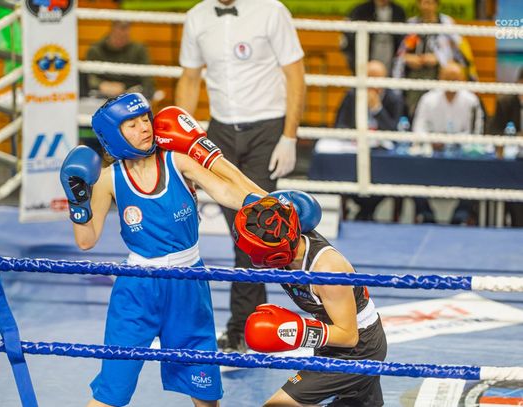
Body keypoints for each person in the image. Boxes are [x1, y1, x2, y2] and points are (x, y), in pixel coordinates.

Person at [60, 92, 269, 407]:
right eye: (132, 125)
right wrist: (77, 202)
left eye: (145, 119)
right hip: (137, 290)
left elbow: (228, 193)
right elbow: (86, 240)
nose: (145, 127)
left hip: (188, 283)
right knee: (111, 392)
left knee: (206, 393)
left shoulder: (177, 160)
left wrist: (269, 203)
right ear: (113, 135)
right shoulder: (109, 179)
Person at [175, 0, 306, 353]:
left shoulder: (271, 10)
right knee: (242, 235)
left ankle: (246, 328)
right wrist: (180, 144)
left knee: (258, 230)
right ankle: (254, 325)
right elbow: (190, 79)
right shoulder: (196, 17)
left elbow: (295, 74)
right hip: (219, 132)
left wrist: (290, 136)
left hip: (267, 129)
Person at [233, 196, 387, 406]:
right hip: (332, 340)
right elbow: (242, 195)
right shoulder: (276, 227)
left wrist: (296, 331)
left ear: (272, 254)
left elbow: (349, 336)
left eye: (253, 251)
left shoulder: (327, 270)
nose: (250, 256)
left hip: (358, 349)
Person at [412, 62, 484, 224]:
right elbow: (418, 128)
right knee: (413, 169)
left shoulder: (471, 100)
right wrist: (432, 140)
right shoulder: (428, 99)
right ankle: (426, 214)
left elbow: (475, 132)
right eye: (448, 78)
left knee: (476, 171)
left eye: (455, 78)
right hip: (432, 153)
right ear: (440, 78)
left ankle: (461, 215)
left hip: (462, 155)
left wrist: (451, 140)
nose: (451, 82)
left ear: (463, 79)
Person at [334, 60, 404, 221]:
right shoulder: (352, 95)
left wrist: (377, 109)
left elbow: (395, 130)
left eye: (377, 78)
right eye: (369, 77)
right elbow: (340, 124)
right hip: (354, 150)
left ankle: (368, 210)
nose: (372, 82)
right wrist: (354, 135)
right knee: (344, 169)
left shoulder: (394, 98)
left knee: (387, 172)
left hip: (382, 154)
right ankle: (360, 210)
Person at [392, 0, 478, 119]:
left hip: (439, 76)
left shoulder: (446, 24)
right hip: (414, 77)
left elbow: (460, 56)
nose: (426, 6)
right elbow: (399, 54)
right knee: (412, 112)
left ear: (437, 4)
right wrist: (408, 58)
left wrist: (438, 59)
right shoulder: (412, 24)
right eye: (423, 2)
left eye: (430, 2)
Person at [487, 68, 523, 227]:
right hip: (512, 162)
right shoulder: (506, 102)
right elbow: (493, 131)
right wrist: (515, 138)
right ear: (518, 83)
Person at [84, 21, 155, 99]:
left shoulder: (139, 50)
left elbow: (147, 80)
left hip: (130, 95)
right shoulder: (96, 49)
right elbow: (88, 76)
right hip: (100, 95)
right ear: (111, 32)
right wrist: (101, 85)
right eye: (117, 35)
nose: (120, 40)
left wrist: (128, 89)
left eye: (124, 37)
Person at [342, 0, 406, 73]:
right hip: (366, 65)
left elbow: (403, 43)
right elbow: (348, 42)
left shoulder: (398, 12)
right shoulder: (359, 11)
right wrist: (359, 65)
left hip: (393, 66)